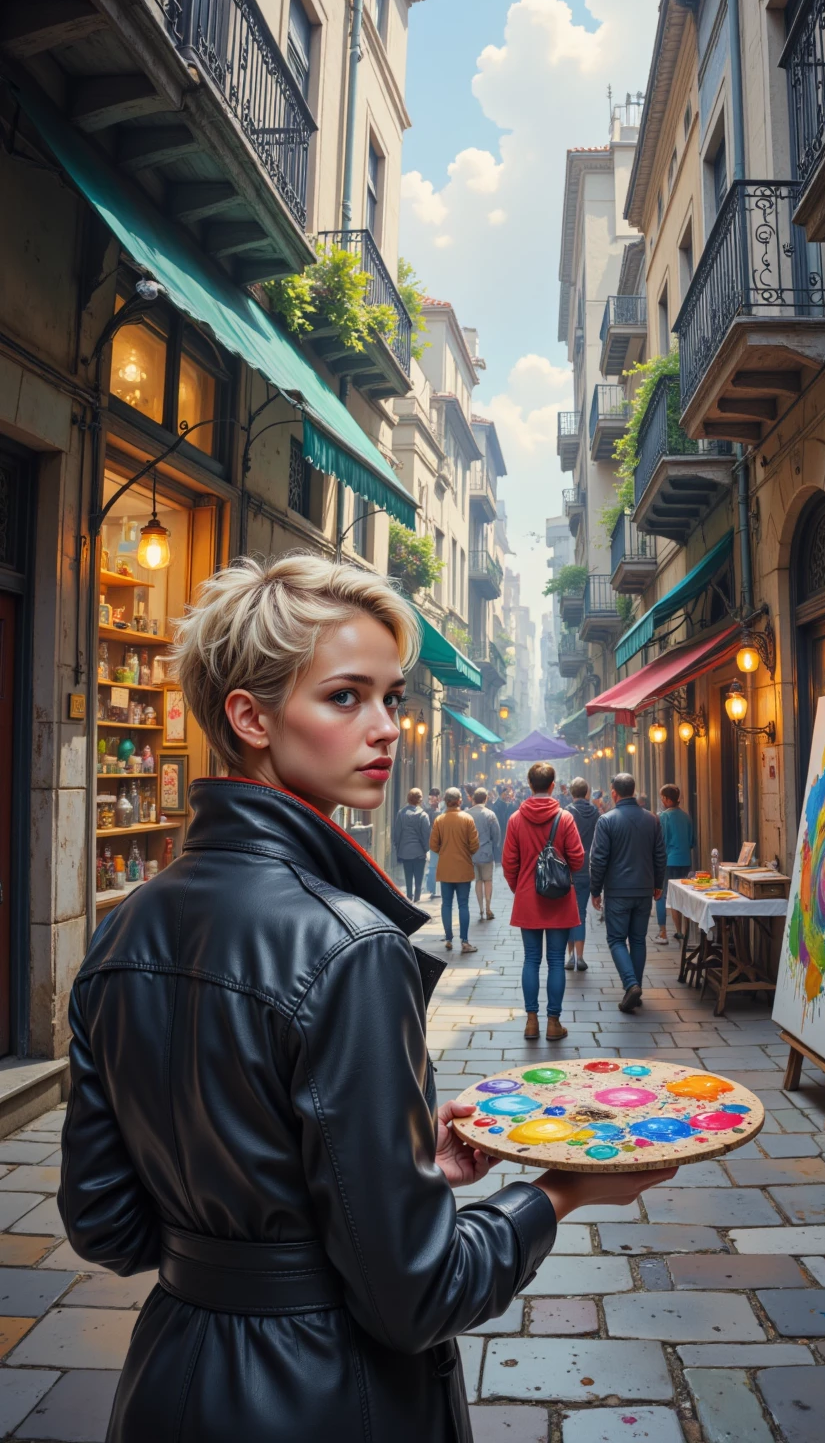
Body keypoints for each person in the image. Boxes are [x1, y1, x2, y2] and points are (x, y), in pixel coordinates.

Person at [57, 554, 673, 1443]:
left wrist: (394, 1163)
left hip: (167, 1381)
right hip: (330, 1397)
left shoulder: (124, 928)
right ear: (251, 717)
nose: (386, 727)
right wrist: (560, 1192)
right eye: (347, 696)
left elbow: (106, 1224)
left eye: (393, 697)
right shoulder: (349, 946)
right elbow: (418, 1295)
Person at [502, 763, 584, 1041]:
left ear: (529, 784)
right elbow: (578, 858)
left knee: (531, 959)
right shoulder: (565, 818)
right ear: (552, 785)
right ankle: (553, 1023)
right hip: (559, 899)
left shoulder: (515, 819)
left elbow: (509, 863)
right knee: (556, 960)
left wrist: (521, 889)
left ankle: (531, 1022)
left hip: (528, 899)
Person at [589, 771, 666, 1013]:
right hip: (644, 889)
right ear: (633, 790)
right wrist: (658, 884)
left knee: (615, 939)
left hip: (619, 890)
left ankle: (631, 985)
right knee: (638, 939)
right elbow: (660, 855)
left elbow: (598, 859)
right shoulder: (652, 819)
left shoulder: (607, 820)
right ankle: (635, 990)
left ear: (613, 792)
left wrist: (595, 890)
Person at [430, 787, 480, 953]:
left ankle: (449, 938)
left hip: (445, 868)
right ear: (460, 801)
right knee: (463, 904)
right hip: (463, 868)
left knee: (446, 904)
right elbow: (474, 845)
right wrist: (465, 852)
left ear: (445, 800)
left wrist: (444, 852)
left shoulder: (440, 820)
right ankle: (465, 941)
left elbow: (433, 845)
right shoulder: (467, 819)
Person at [565, 776, 600, 973]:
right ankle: (579, 956)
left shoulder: (567, 813)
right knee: (581, 913)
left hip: (570, 868)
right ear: (587, 792)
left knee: (569, 912)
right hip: (589, 868)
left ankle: (572, 956)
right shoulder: (596, 813)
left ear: (571, 793)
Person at [654, 783, 695, 945]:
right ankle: (682, 931)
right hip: (685, 861)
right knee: (683, 895)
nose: (661, 800)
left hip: (668, 862)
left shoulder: (664, 817)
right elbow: (692, 841)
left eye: (662, 797)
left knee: (661, 895)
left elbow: (661, 841)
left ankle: (663, 933)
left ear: (667, 799)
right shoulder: (686, 816)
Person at [393, 786, 431, 901]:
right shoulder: (423, 815)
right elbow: (426, 835)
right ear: (419, 800)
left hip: (405, 851)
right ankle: (417, 899)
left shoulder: (401, 813)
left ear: (408, 798)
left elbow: (397, 833)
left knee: (408, 876)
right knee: (419, 878)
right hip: (419, 852)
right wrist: (426, 849)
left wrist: (398, 848)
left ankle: (409, 897)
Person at [468, 786, 501, 921]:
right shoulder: (490, 814)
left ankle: (480, 908)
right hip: (487, 852)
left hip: (472, 854)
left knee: (478, 881)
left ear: (474, 799)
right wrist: (494, 845)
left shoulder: (467, 814)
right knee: (488, 880)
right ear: (486, 799)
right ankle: (488, 907)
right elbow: (496, 834)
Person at [425, 786, 442, 897]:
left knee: (432, 865)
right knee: (434, 865)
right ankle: (434, 889)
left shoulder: (427, 809)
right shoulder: (436, 811)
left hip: (431, 840)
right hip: (437, 840)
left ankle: (432, 889)